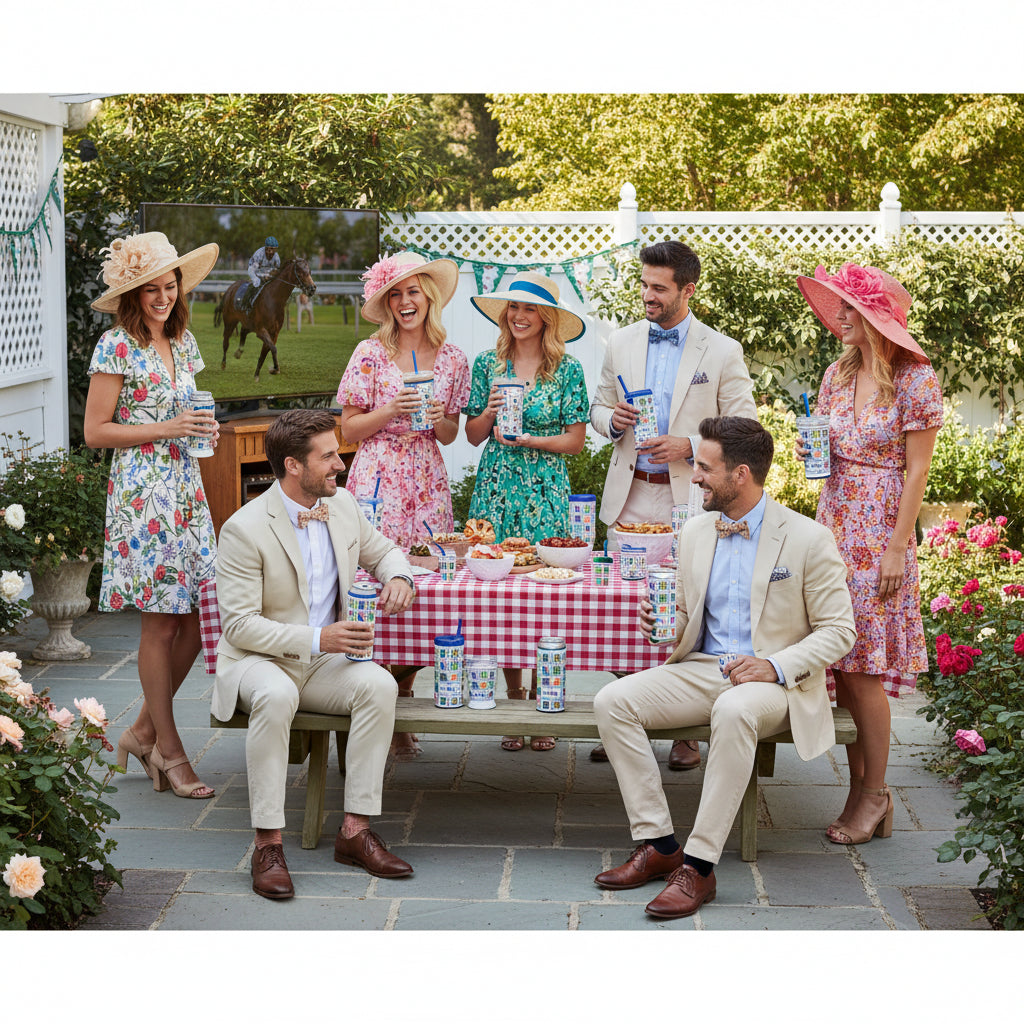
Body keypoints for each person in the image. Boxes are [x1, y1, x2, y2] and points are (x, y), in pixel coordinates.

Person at [592, 416, 856, 919]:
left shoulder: (807, 538)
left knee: (735, 711)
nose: (693, 476)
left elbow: (840, 630)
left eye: (704, 468)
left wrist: (773, 665)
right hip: (703, 667)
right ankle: (658, 843)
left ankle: (699, 868)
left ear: (740, 475)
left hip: (776, 683)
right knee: (612, 701)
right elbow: (688, 619)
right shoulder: (694, 531)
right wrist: (662, 625)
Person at [212, 409, 418, 900]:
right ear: (292, 466)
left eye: (336, 453)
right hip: (257, 660)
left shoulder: (342, 505)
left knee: (379, 684)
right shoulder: (243, 529)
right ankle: (268, 844)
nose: (340, 465)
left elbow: (385, 549)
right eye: (327, 457)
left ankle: (354, 831)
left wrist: (399, 576)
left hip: (322, 662)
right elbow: (238, 625)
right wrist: (316, 639)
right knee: (278, 694)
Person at [589, 239, 758, 771]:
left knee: (687, 608)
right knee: (625, 609)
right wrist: (609, 422)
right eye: (643, 285)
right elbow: (596, 407)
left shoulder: (723, 350)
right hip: (629, 496)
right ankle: (629, 719)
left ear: (688, 289)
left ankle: (686, 733)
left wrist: (689, 444)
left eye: (659, 288)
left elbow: (746, 428)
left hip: (693, 503)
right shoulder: (620, 342)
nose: (647, 296)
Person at [795, 263, 942, 846]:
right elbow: (826, 453)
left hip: (881, 531)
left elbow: (919, 470)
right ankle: (859, 793)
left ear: (879, 319)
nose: (840, 317)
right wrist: (811, 445)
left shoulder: (914, 377)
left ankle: (876, 793)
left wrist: (897, 549)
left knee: (865, 670)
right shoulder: (836, 372)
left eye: (851, 308)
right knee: (841, 660)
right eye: (837, 306)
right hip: (834, 522)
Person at [84, 231, 220, 800]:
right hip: (144, 497)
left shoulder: (184, 342)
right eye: (152, 289)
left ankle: (141, 731)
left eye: (171, 286)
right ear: (132, 293)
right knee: (160, 622)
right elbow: (95, 432)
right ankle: (170, 750)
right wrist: (167, 428)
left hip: (186, 489)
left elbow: (191, 410)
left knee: (198, 617)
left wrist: (202, 428)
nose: (163, 297)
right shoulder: (115, 346)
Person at [337, 251, 469, 757]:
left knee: (428, 585)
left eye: (413, 291)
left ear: (428, 297)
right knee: (376, 586)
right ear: (386, 303)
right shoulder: (369, 353)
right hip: (378, 476)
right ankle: (378, 706)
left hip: (427, 476)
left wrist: (438, 416)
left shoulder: (453, 357)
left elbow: (452, 432)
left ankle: (405, 693)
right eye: (396, 294)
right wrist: (390, 408)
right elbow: (347, 429)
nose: (405, 301)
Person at [465, 272, 589, 753]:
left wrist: (532, 440)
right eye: (512, 308)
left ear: (547, 318)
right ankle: (513, 696)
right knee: (498, 591)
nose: (518, 316)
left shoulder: (568, 370)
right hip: (496, 488)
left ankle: (545, 695)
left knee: (544, 592)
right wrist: (491, 409)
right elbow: (473, 436)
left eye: (529, 309)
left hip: (546, 489)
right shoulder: (487, 364)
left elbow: (576, 442)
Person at [241, 236, 280, 314]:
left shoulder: (276, 257)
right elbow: (252, 270)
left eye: (273, 249)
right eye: (269, 249)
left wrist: (270, 275)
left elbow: (277, 271)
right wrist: (260, 278)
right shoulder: (259, 254)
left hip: (268, 275)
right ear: (266, 248)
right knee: (255, 285)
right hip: (255, 272)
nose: (271, 252)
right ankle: (245, 305)